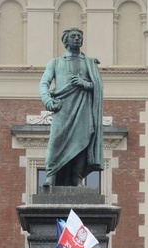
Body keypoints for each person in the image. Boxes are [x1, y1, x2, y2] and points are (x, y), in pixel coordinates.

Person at [39, 28, 103, 188]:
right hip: (62, 108)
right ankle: (50, 176)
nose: (77, 39)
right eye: (73, 36)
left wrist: (84, 84)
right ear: (66, 41)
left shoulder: (89, 63)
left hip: (82, 109)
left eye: (80, 36)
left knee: (82, 141)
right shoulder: (55, 62)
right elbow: (44, 83)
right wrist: (47, 100)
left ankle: (77, 177)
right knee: (56, 141)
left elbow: (98, 87)